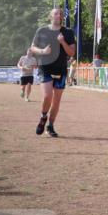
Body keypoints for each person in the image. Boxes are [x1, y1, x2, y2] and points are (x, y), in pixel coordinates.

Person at [29, 8, 76, 137]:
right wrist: (43, 51)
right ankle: (43, 117)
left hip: (60, 69)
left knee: (56, 101)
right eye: (56, 13)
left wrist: (62, 42)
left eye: (60, 14)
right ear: (50, 16)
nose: (58, 15)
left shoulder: (68, 32)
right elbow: (32, 48)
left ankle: (50, 126)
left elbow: (71, 52)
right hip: (45, 68)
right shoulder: (42, 30)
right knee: (47, 96)